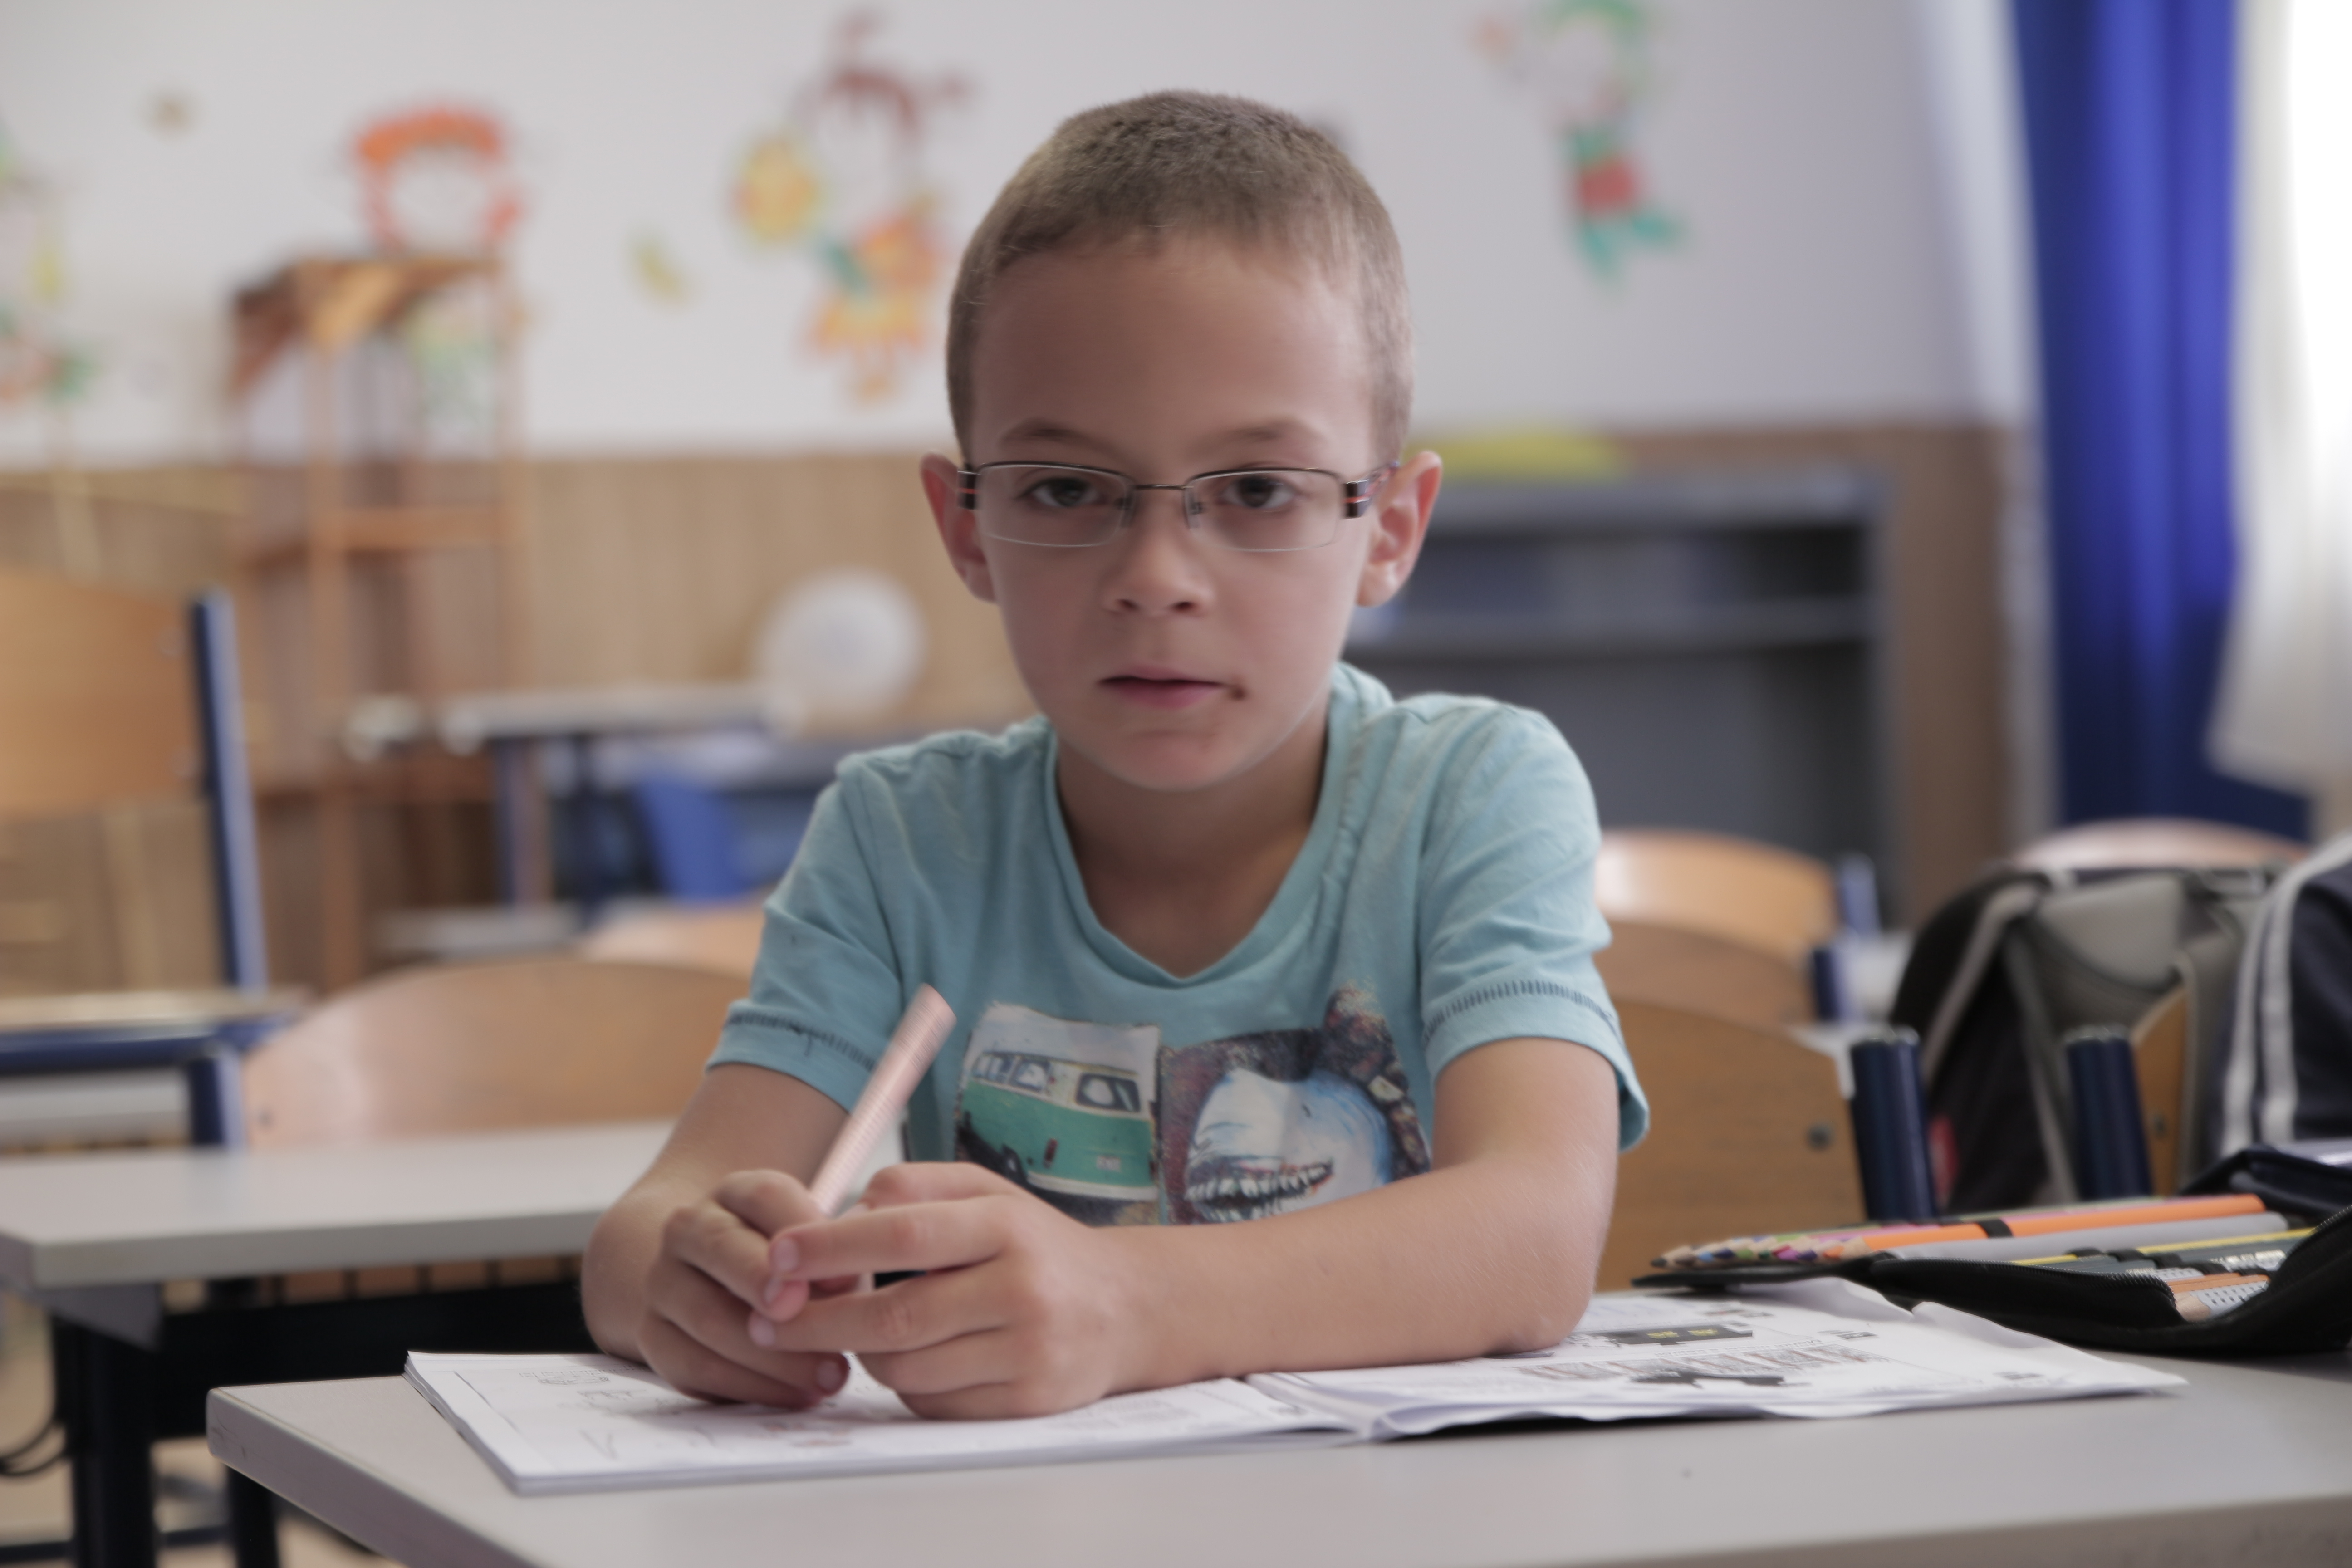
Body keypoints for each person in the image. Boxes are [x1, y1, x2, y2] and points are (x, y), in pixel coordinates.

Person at [582, 90, 1647, 1420]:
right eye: (1067, 490)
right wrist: (688, 1284)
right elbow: (651, 1229)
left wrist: (1127, 1303)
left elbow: (1534, 1237)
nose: (1156, 577)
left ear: (1388, 528)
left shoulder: (1470, 795)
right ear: (965, 526)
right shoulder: (902, 841)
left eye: (1254, 490)